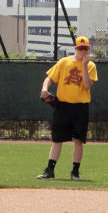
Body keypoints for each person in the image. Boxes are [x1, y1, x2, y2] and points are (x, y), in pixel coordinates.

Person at [37, 36, 98, 181]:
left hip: (80, 107)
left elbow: (88, 85)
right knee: (57, 139)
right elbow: (49, 78)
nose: (83, 51)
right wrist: (45, 89)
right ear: (75, 48)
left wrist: (84, 65)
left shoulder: (90, 65)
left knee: (78, 140)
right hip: (63, 106)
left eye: (86, 48)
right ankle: (49, 171)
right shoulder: (64, 62)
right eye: (81, 48)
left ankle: (75, 172)